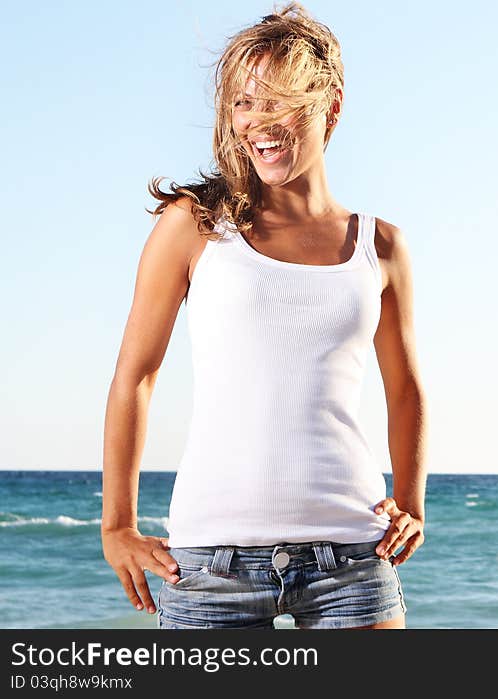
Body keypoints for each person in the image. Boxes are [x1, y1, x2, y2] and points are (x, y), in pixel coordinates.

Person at [101, 2, 427, 629]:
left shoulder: (381, 246)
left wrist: (411, 500)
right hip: (209, 564)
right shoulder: (195, 226)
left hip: (353, 560)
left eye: (280, 103)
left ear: (329, 106)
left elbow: (405, 387)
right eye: (245, 103)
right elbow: (134, 374)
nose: (259, 122)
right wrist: (117, 523)